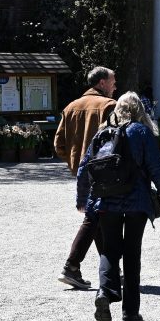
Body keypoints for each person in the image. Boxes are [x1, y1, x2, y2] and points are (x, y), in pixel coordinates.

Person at [76, 91, 160, 321]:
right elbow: (157, 171)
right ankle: (130, 313)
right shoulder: (141, 132)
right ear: (139, 111)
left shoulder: (103, 132)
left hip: (107, 201)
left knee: (109, 251)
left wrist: (82, 200)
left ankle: (104, 293)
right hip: (137, 202)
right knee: (132, 255)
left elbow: (85, 167)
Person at [54, 66, 116, 290]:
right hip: (104, 170)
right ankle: (71, 266)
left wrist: (74, 162)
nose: (115, 86)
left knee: (98, 217)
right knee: (94, 218)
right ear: (101, 83)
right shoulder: (110, 106)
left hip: (82, 171)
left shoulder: (71, 107)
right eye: (112, 81)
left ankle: (109, 270)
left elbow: (58, 144)